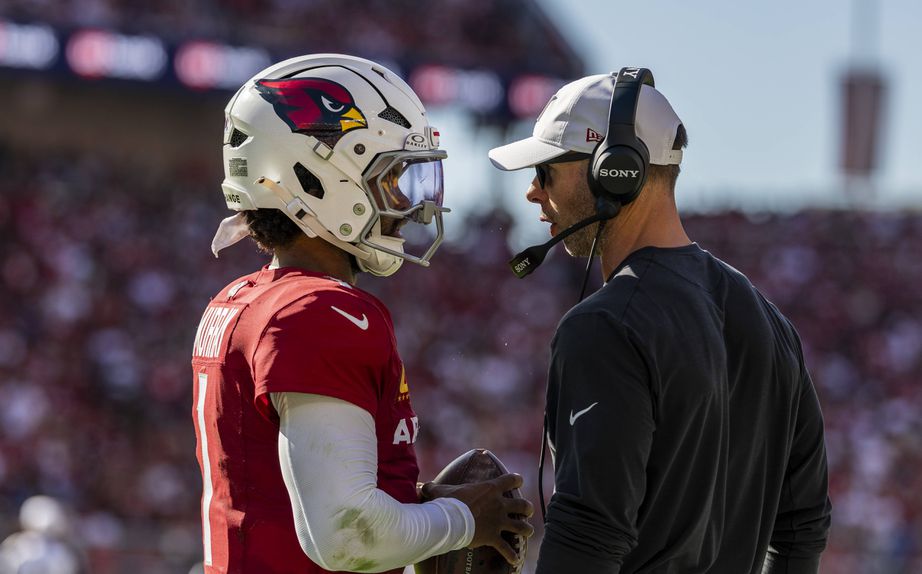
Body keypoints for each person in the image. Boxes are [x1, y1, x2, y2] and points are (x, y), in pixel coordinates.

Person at [192, 54, 533, 574]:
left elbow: (281, 495)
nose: (414, 206)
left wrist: (412, 499)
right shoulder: (321, 311)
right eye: (394, 177)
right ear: (315, 177)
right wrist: (465, 518)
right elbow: (344, 535)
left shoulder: (245, 298)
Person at [488, 69, 832, 573]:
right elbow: (803, 528)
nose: (533, 194)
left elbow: (589, 535)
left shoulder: (605, 326)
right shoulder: (771, 322)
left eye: (545, 172)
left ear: (613, 171)